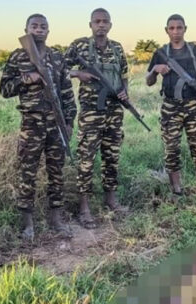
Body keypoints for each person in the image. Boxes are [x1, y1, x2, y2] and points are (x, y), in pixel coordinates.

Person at [0, 14, 77, 240]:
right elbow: (4, 89)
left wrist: (70, 122)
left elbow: (66, 92)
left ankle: (56, 219)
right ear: (26, 29)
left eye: (43, 26)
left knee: (56, 172)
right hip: (31, 124)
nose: (39, 29)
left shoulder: (56, 57)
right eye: (34, 26)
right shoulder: (18, 57)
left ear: (48, 31)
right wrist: (27, 79)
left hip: (56, 123)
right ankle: (27, 224)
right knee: (27, 172)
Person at [64, 8, 129, 229]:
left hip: (114, 112)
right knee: (86, 158)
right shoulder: (79, 45)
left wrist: (124, 93)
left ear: (110, 25)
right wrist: (77, 74)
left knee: (112, 155)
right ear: (90, 24)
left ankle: (111, 200)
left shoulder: (117, 48)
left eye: (105, 22)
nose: (101, 25)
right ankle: (84, 208)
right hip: (91, 112)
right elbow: (59, 68)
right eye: (97, 21)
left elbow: (124, 75)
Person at [146, 14, 196, 202]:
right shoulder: (161, 53)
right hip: (171, 107)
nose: (176, 32)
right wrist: (156, 70)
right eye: (172, 28)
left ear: (185, 28)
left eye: (179, 28)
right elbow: (149, 81)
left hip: (194, 106)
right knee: (171, 149)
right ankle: (177, 191)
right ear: (166, 30)